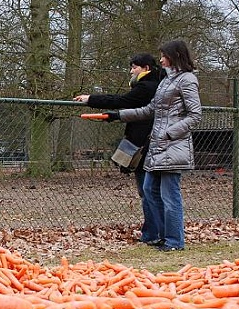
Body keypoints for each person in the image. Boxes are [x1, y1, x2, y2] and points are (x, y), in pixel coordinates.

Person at [102, 40, 202, 252]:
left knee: (169, 194)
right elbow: (149, 110)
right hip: (157, 147)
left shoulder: (187, 80)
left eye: (164, 55)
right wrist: (117, 116)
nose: (161, 59)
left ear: (174, 56)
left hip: (172, 146)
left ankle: (175, 241)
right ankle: (163, 236)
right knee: (149, 190)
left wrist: (169, 133)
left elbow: (195, 115)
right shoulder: (166, 81)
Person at [74, 53, 163, 245]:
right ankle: (157, 232)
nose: (131, 71)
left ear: (145, 68)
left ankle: (152, 234)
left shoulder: (146, 88)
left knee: (147, 191)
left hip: (144, 144)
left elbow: (121, 101)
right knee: (153, 191)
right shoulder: (159, 85)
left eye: (134, 67)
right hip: (152, 142)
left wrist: (91, 99)